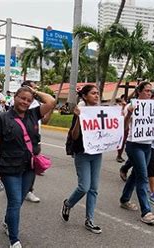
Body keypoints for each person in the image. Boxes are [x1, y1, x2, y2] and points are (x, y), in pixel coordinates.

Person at [0, 86, 55, 248]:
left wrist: (35, 92)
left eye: (28, 100)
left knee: (18, 202)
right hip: (9, 167)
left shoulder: (33, 114)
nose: (25, 102)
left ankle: (7, 222)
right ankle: (14, 240)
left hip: (29, 167)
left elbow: (51, 101)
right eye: (22, 98)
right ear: (15, 97)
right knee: (14, 201)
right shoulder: (2, 118)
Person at [61, 85, 104, 234]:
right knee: (84, 187)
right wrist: (79, 117)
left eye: (97, 93)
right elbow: (74, 136)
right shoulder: (80, 112)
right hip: (82, 153)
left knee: (94, 189)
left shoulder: (100, 111)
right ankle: (68, 203)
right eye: (93, 93)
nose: (96, 96)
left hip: (97, 153)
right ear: (84, 96)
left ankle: (89, 220)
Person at [119, 82, 154, 225]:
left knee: (136, 174)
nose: (149, 93)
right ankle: (146, 211)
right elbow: (124, 126)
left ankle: (124, 199)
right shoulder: (131, 105)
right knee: (143, 177)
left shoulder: (153, 106)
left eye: (150, 91)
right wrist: (129, 113)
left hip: (147, 145)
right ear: (139, 92)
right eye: (146, 91)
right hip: (134, 145)